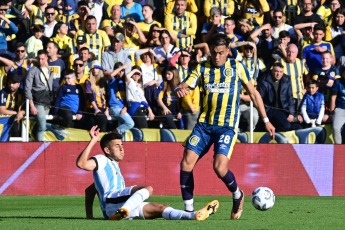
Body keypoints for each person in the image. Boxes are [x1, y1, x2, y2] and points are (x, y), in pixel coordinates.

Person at [174, 34, 275, 219]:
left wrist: (266, 120)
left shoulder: (237, 67)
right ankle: (188, 211)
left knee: (219, 168)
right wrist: (180, 88)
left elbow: (254, 93)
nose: (217, 57)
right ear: (209, 51)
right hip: (204, 125)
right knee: (186, 162)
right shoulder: (202, 67)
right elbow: (186, 84)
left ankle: (238, 195)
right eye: (214, 53)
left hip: (227, 126)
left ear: (228, 51)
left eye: (221, 53)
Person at [76, 126, 219, 221]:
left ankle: (194, 215)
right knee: (148, 189)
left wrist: (90, 218)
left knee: (160, 208)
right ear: (107, 150)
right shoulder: (102, 160)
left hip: (117, 207)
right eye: (117, 146)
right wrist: (93, 140)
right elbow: (81, 164)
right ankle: (124, 210)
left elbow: (89, 190)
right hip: (114, 201)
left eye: (122, 145)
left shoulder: (112, 170)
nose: (121, 149)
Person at [257, 62, 303, 132]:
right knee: (286, 126)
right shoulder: (264, 80)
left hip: (283, 109)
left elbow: (290, 97)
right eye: (276, 71)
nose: (278, 74)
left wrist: (291, 113)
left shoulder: (286, 79)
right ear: (272, 70)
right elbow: (260, 99)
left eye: (281, 72)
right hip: (269, 109)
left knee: (297, 126)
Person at [25, 50, 53, 142]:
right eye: (38, 58)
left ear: (46, 59)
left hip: (47, 101)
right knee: (42, 126)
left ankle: (36, 144)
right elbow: (27, 89)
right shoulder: (32, 70)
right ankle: (39, 146)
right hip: (37, 101)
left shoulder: (49, 71)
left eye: (42, 59)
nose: (40, 61)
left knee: (41, 125)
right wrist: (32, 105)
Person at [276, 44, 309, 112]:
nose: (291, 54)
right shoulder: (279, 62)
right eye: (289, 52)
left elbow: (308, 75)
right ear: (286, 52)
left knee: (299, 117)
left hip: (299, 96)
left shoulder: (301, 63)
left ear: (296, 54)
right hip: (285, 97)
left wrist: (306, 88)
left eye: (293, 52)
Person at [107, 62, 135, 135]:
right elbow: (111, 75)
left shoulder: (124, 81)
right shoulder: (112, 80)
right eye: (119, 70)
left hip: (123, 108)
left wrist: (125, 107)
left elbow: (127, 98)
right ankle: (112, 134)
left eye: (122, 71)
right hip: (114, 107)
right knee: (130, 123)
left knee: (126, 125)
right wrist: (122, 67)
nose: (120, 72)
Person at [85, 60, 109, 132]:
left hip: (103, 107)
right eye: (93, 68)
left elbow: (108, 97)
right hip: (93, 108)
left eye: (97, 68)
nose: (95, 70)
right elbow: (90, 97)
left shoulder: (104, 81)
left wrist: (107, 110)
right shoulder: (88, 80)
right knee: (102, 119)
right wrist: (96, 109)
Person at [0, 72, 26, 137]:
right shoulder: (3, 92)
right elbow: (1, 110)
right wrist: (17, 113)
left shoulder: (22, 93)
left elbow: (26, 109)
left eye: (14, 83)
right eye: (10, 83)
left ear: (18, 84)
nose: (11, 85)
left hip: (17, 120)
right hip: (4, 120)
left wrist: (22, 112)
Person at [329, 68, 345, 144]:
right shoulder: (338, 82)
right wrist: (332, 111)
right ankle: (339, 147)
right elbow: (333, 97)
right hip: (340, 108)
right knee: (336, 128)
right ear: (343, 73)